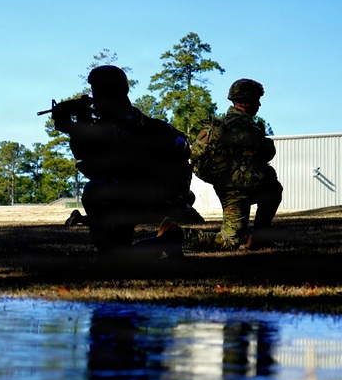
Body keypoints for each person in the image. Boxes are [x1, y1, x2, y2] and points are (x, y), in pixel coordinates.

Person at [51, 65, 196, 258]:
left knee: (95, 192)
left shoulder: (117, 125)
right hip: (145, 195)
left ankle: (162, 242)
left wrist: (75, 125)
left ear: (105, 92)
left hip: (134, 196)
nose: (93, 97)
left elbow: (85, 151)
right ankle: (163, 241)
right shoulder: (141, 121)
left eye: (96, 91)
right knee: (116, 250)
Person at [176, 79, 282, 251]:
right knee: (229, 242)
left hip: (229, 187)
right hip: (240, 188)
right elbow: (264, 153)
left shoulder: (225, 122)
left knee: (272, 189)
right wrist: (268, 144)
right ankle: (175, 235)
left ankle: (258, 239)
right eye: (256, 100)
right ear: (247, 101)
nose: (259, 104)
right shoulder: (244, 124)